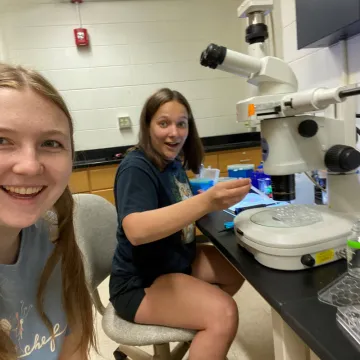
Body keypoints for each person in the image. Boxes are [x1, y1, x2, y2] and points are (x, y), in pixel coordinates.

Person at [110, 88, 251, 360]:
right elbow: (136, 231)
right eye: (163, 123)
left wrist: (220, 202)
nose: (174, 133)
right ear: (147, 126)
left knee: (236, 268)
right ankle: (209, 325)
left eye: (181, 123)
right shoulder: (136, 167)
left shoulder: (172, 163)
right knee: (223, 313)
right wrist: (206, 202)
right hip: (140, 282)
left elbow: (178, 209)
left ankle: (201, 335)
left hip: (174, 261)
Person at [0, 64, 96, 360]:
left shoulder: (53, 235)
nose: (29, 165)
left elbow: (74, 347)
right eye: (2, 140)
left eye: (50, 143)